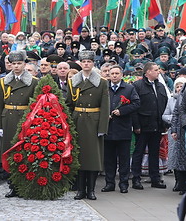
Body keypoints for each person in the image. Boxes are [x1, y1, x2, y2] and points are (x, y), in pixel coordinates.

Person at [66, 50, 110, 200]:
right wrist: (69, 124)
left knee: (93, 157)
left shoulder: (102, 82)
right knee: (79, 157)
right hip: (78, 120)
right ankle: (80, 190)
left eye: (89, 62)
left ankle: (90, 190)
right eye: (84, 62)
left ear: (93, 63)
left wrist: (102, 128)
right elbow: (69, 104)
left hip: (94, 121)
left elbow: (105, 107)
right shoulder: (73, 81)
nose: (86, 64)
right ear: (80, 63)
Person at [0, 50, 38, 197]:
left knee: (23, 153)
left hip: (23, 119)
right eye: (14, 64)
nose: (16, 66)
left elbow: (35, 106)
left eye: (19, 63)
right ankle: (12, 185)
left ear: (25, 64)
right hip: (8, 119)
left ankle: (24, 185)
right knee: (10, 153)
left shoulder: (33, 82)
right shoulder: (4, 81)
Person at [102, 65, 140, 194]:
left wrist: (122, 111)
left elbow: (136, 103)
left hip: (123, 129)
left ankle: (123, 184)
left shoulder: (129, 88)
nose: (113, 75)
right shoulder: (104, 87)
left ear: (121, 75)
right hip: (108, 128)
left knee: (124, 159)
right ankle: (109, 183)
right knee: (109, 159)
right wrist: (104, 114)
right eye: (111, 73)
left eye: (116, 73)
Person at [131, 62, 168, 190]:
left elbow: (164, 106)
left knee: (154, 153)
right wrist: (136, 125)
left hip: (157, 125)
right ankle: (136, 178)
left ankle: (155, 178)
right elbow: (134, 107)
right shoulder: (138, 86)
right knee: (139, 152)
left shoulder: (160, 86)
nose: (159, 72)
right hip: (143, 125)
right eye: (156, 70)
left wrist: (164, 124)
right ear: (148, 72)